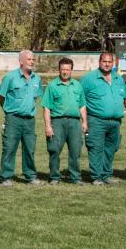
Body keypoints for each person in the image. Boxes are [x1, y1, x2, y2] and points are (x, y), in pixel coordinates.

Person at [0, 50, 43, 186]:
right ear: (21, 61)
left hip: (30, 120)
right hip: (13, 119)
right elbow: (1, 97)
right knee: (9, 147)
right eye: (29, 59)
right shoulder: (10, 77)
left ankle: (30, 176)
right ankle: (5, 176)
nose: (32, 62)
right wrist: (9, 111)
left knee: (30, 149)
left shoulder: (37, 78)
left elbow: (35, 97)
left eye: (33, 59)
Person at [81, 52, 126, 185]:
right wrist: (84, 120)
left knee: (111, 149)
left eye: (109, 62)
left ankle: (106, 175)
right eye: (104, 61)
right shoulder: (88, 79)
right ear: (99, 62)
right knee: (96, 148)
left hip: (115, 122)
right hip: (96, 120)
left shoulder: (118, 79)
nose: (107, 64)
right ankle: (96, 176)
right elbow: (80, 99)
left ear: (113, 64)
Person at [41, 57, 87, 185]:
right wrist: (48, 126)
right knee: (54, 149)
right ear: (59, 70)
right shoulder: (52, 86)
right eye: (62, 69)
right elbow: (46, 107)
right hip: (58, 122)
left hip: (74, 122)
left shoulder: (78, 85)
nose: (65, 72)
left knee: (75, 151)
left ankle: (75, 177)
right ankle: (54, 177)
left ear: (71, 70)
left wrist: (84, 122)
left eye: (67, 69)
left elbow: (82, 105)